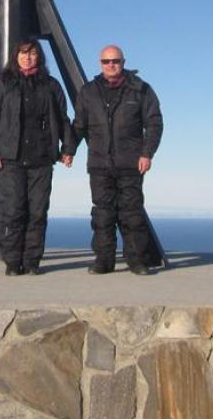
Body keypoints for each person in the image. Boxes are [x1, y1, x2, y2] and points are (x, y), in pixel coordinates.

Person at [0, 38, 75, 276]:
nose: (27, 57)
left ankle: (32, 261)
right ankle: (13, 262)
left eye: (32, 53)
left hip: (41, 158)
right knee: (13, 211)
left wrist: (68, 148)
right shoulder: (2, 84)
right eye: (23, 53)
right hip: (11, 159)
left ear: (39, 56)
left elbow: (63, 119)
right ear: (16, 56)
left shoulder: (50, 85)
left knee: (38, 212)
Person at [72, 44, 163, 275]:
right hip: (99, 164)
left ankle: (137, 261)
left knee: (132, 214)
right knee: (102, 215)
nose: (111, 65)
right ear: (100, 64)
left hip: (130, 163)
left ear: (123, 62)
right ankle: (104, 261)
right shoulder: (89, 91)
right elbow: (80, 124)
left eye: (115, 61)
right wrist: (68, 149)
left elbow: (154, 123)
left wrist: (147, 153)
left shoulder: (140, 89)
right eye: (106, 61)